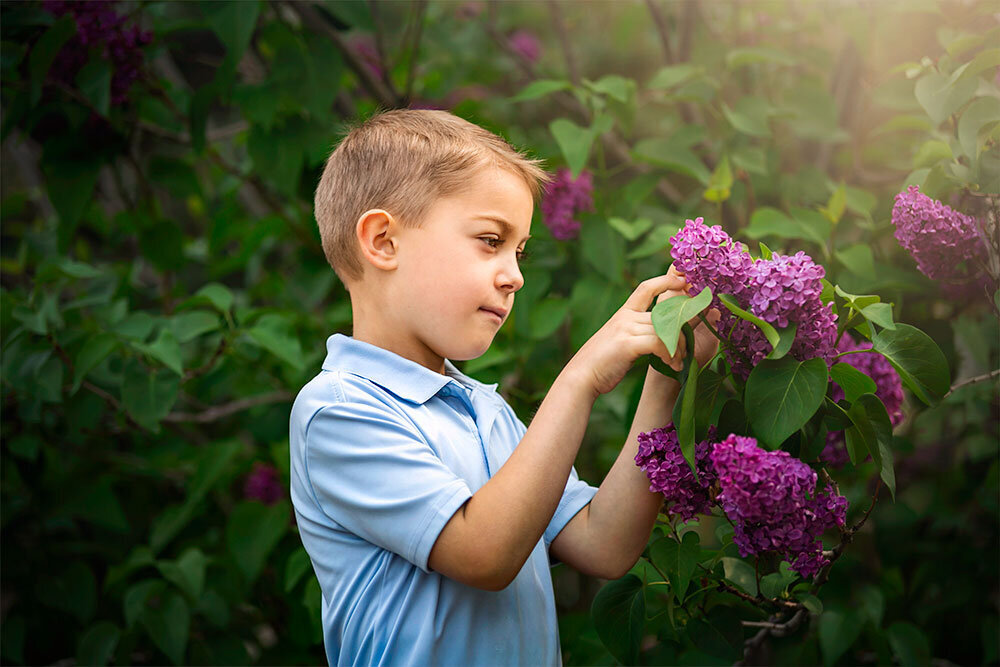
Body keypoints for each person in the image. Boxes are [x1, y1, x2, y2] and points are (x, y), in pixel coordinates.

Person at [289, 108, 720, 666]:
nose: (515, 274)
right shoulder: (340, 410)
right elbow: (486, 554)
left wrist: (669, 375)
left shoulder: (483, 409)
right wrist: (580, 377)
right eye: (490, 241)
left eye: (519, 251)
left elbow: (603, 542)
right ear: (383, 242)